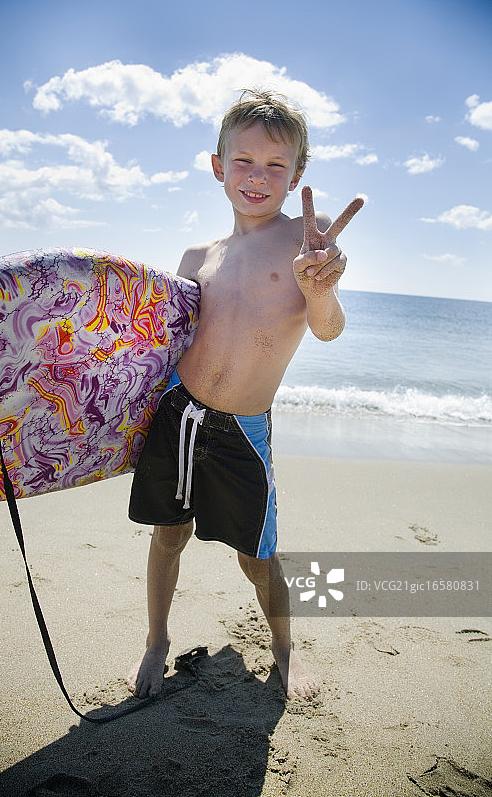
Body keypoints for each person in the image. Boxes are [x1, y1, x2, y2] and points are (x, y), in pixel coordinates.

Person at [126, 90, 363, 700]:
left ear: (297, 177)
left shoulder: (305, 246)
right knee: (167, 534)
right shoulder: (196, 256)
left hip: (242, 431)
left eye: (275, 166)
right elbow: (159, 345)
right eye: (244, 161)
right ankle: (156, 641)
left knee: (258, 558)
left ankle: (285, 651)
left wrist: (319, 287)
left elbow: (329, 328)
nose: (257, 177)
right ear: (217, 166)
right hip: (179, 415)